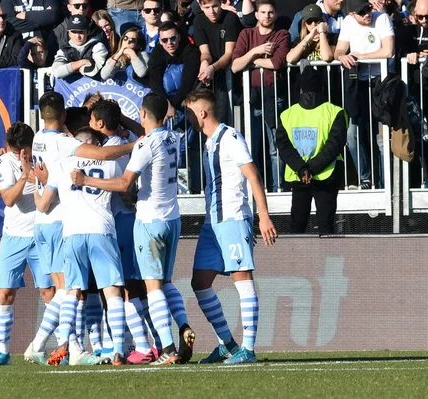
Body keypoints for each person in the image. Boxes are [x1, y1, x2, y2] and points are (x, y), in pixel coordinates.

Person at [71, 93, 195, 366]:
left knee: (147, 287)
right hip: (173, 218)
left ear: (142, 112)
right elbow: (146, 131)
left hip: (147, 220)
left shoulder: (138, 146)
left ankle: (166, 348)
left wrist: (85, 179)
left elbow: (125, 184)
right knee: (164, 281)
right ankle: (183, 325)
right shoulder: (172, 138)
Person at [23, 92, 134, 365]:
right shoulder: (76, 150)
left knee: (70, 291)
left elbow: (46, 192)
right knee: (109, 290)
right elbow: (107, 157)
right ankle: (112, 348)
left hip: (56, 227)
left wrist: (36, 180)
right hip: (93, 227)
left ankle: (62, 345)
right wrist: (137, 144)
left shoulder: (44, 145)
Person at [183, 88, 277, 365]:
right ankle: (227, 343)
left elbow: (253, 174)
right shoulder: (210, 142)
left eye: (190, 113)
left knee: (242, 280)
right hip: (213, 223)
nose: (188, 118)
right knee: (199, 283)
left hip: (234, 218)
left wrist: (262, 215)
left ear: (202, 112)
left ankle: (248, 349)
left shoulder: (231, 137)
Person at [0, 122, 56, 367]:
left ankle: (57, 348)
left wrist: (33, 170)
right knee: (4, 294)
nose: (16, 154)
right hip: (13, 236)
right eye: (13, 150)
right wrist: (24, 174)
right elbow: (9, 200)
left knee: (51, 294)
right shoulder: (5, 162)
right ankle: (3, 353)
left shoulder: (45, 157)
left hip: (41, 234)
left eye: (20, 150)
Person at [88, 99, 158, 364]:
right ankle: (149, 343)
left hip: (122, 220)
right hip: (129, 219)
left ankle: (145, 345)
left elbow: (120, 185)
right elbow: (140, 134)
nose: (89, 123)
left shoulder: (113, 148)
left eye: (92, 119)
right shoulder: (125, 139)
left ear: (101, 123)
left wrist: (85, 180)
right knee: (132, 285)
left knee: (127, 286)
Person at [276, 66, 347, 235]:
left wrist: (302, 169)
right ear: (322, 86)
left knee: (297, 226)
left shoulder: (287, 114)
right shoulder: (334, 111)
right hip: (326, 174)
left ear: (300, 87)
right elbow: (334, 145)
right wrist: (312, 168)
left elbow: (283, 147)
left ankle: (297, 261)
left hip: (298, 175)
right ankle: (328, 261)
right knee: (326, 227)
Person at [334, 0, 394, 189]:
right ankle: (365, 178)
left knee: (382, 138)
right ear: (351, 14)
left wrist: (358, 56)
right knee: (352, 134)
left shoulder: (382, 18)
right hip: (357, 84)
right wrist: (343, 56)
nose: (367, 14)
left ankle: (386, 184)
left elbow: (388, 50)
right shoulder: (349, 23)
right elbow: (339, 50)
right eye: (361, 12)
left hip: (381, 83)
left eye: (368, 8)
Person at [231, 0, 289, 193]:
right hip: (251, 97)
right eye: (262, 12)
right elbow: (235, 65)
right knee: (251, 148)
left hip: (274, 96)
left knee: (275, 149)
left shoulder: (281, 34)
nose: (267, 16)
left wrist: (251, 61)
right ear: (256, 15)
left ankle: (277, 188)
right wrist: (256, 52)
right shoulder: (246, 34)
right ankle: (255, 190)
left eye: (270, 12)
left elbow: (277, 63)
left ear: (276, 14)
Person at [194, 0, 243, 124]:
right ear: (200, 6)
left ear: (220, 3)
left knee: (225, 118)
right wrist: (204, 62)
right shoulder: (199, 20)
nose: (212, 11)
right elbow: (205, 52)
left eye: (215, 6)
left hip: (230, 75)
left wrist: (212, 67)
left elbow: (228, 54)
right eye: (207, 7)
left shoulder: (230, 18)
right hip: (213, 74)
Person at [148, 21, 201, 117]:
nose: (169, 43)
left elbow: (188, 81)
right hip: (166, 99)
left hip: (186, 98)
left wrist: (173, 105)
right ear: (159, 41)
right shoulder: (157, 52)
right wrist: (167, 104)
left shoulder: (190, 50)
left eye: (173, 38)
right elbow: (154, 80)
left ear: (179, 37)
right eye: (164, 40)